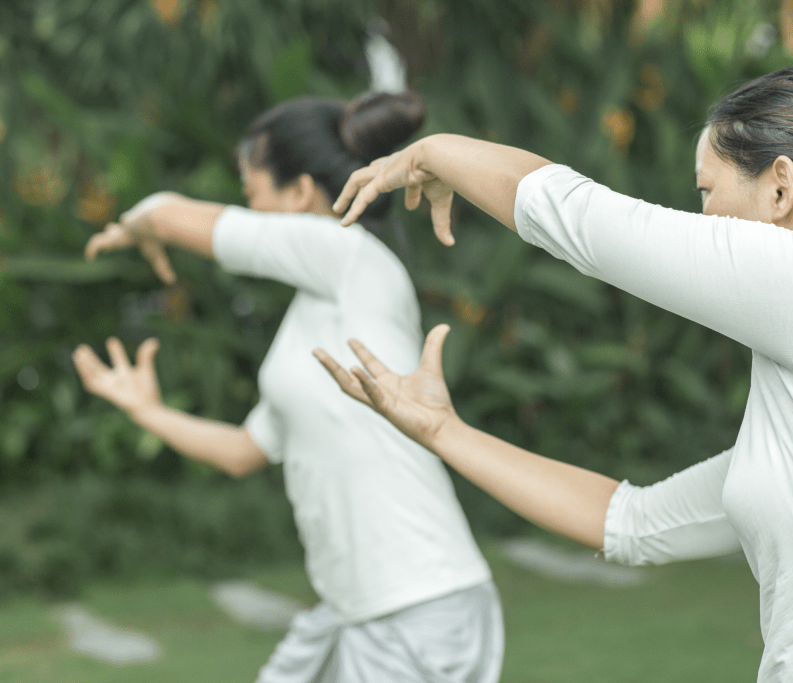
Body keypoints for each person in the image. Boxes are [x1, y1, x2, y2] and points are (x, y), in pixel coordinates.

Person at [314, 67, 793, 682]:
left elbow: (584, 223)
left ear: (780, 187)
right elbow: (629, 522)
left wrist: (433, 151)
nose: (699, 216)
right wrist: (442, 430)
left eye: (708, 191)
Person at [72, 92, 503, 683]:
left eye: (251, 193)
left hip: (419, 603)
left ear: (301, 193)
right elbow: (242, 452)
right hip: (353, 612)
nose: (246, 209)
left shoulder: (351, 257)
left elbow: (172, 214)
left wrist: (134, 225)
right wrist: (148, 411)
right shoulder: (309, 325)